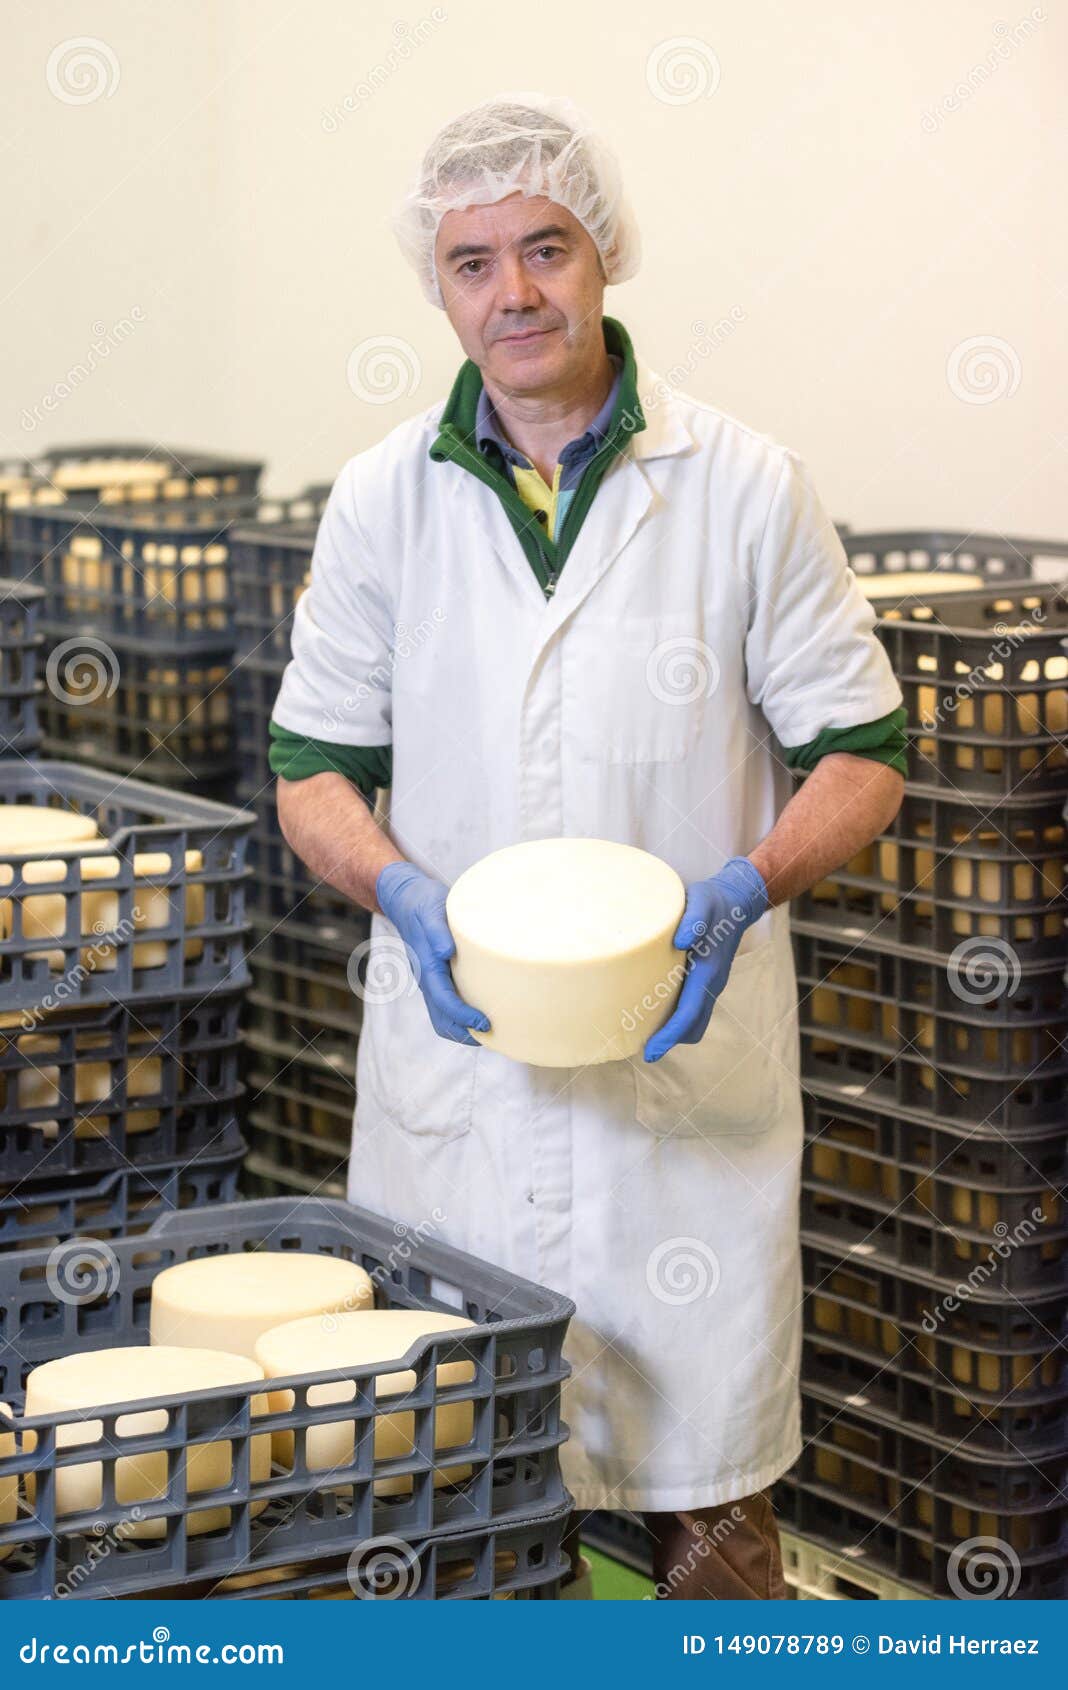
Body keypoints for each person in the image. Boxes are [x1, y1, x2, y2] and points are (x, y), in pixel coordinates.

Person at [268, 92, 906, 1600]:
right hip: (461, 1078)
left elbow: (866, 755)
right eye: (473, 262)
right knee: (457, 1490)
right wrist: (400, 891)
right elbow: (309, 769)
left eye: (544, 248)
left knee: (712, 1520)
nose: (515, 293)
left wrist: (745, 888)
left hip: (683, 1087)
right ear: (439, 288)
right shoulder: (380, 502)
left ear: (604, 252)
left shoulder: (743, 484)